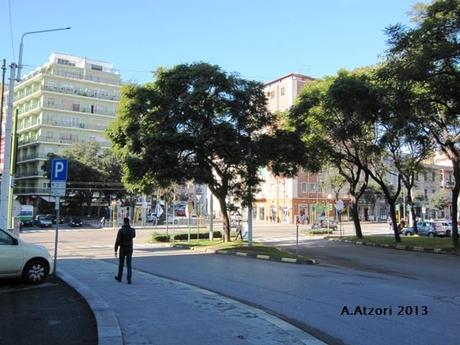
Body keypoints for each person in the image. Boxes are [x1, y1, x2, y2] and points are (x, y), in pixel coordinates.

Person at [114, 217, 136, 284]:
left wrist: (115, 249)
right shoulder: (132, 230)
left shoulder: (121, 230)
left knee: (121, 263)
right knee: (129, 264)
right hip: (130, 248)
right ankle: (129, 279)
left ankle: (119, 277)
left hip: (123, 248)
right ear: (128, 222)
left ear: (124, 222)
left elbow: (118, 241)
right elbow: (134, 236)